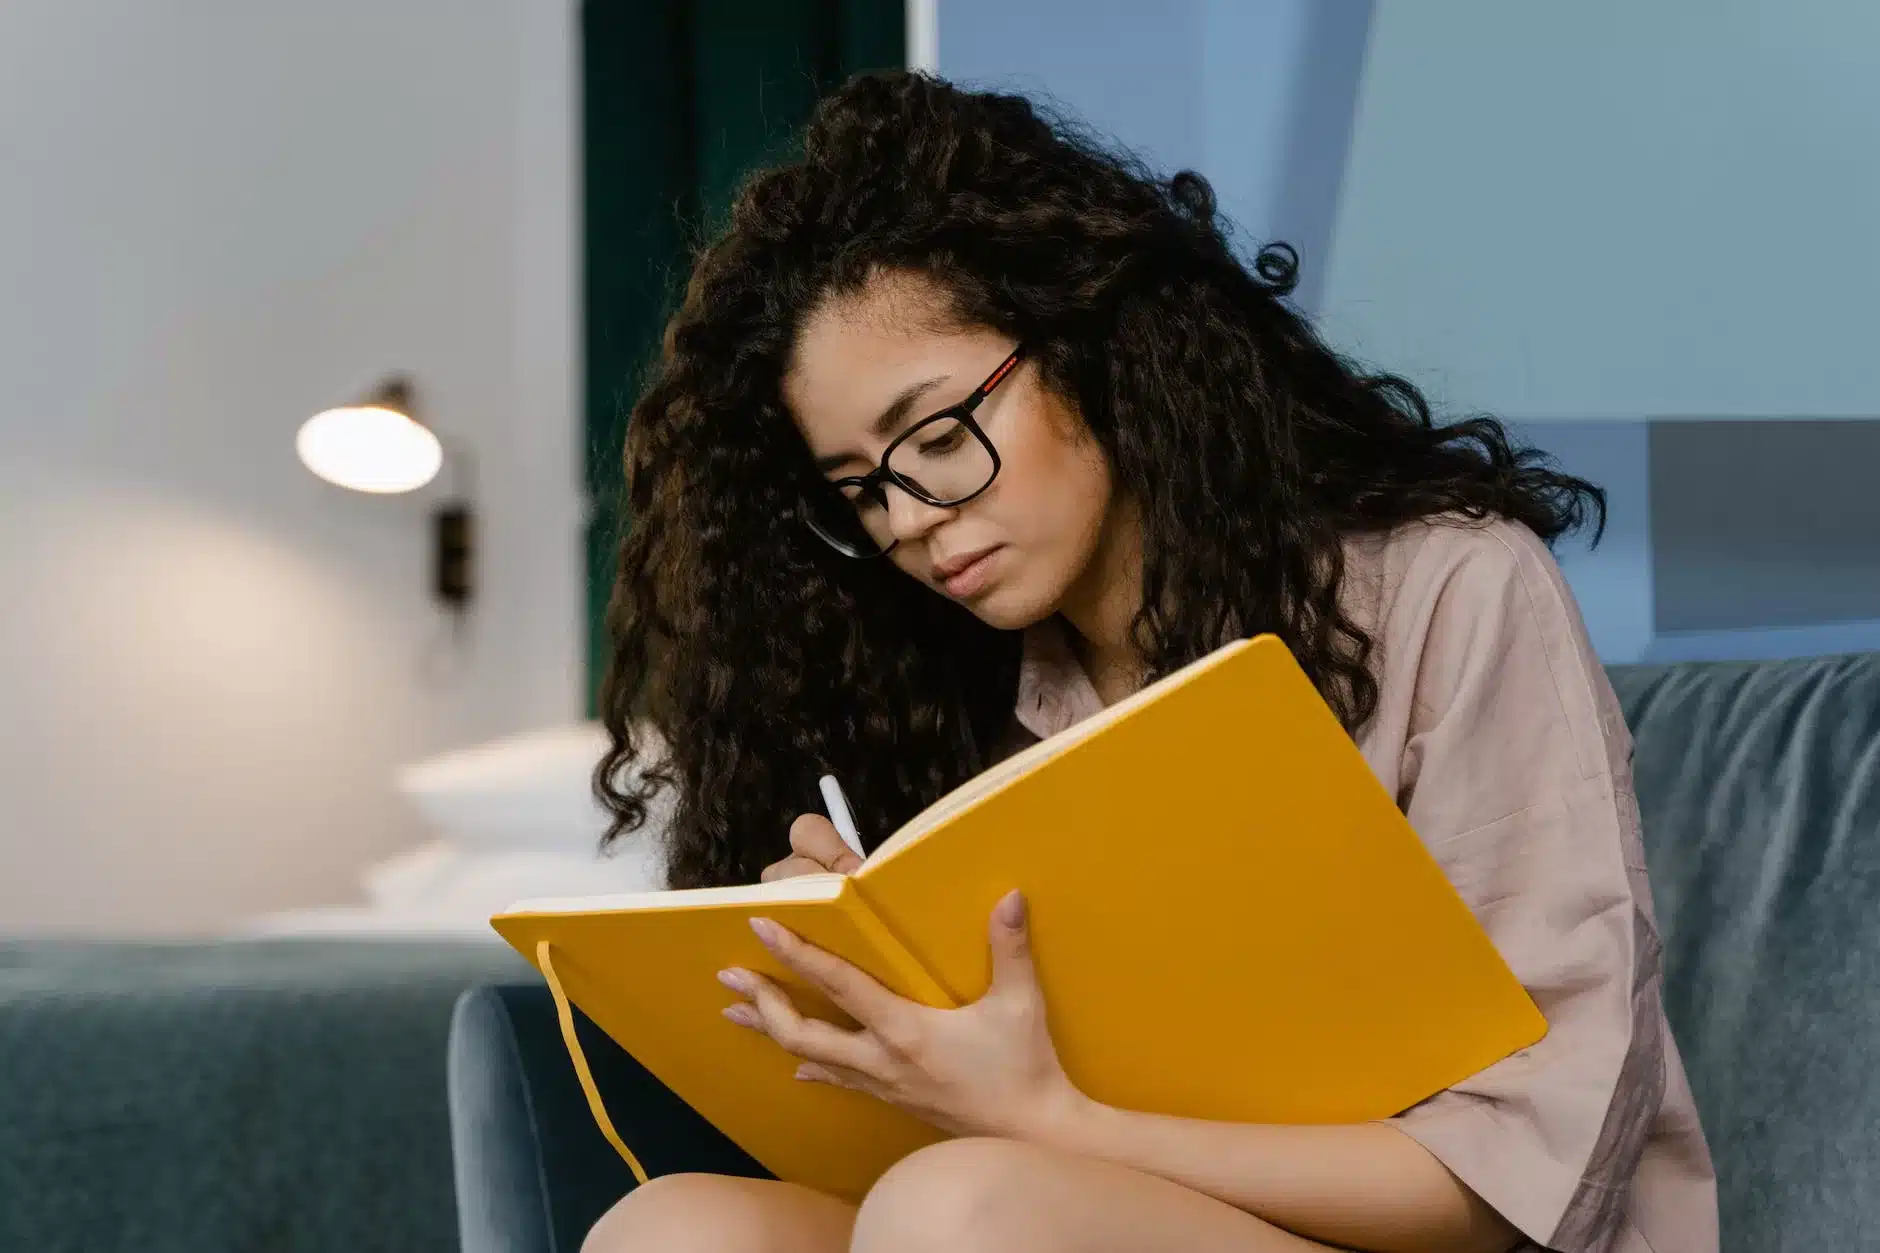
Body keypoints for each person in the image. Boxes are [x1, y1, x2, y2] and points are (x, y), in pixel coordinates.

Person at [583, 70, 1717, 1253]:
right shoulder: (942, 686)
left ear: (1090, 347)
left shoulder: (1450, 587)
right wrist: (853, 992)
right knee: (673, 1227)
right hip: (1085, 1209)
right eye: (858, 489)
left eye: (935, 435)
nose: (908, 517)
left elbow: (1511, 1180)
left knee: (962, 1210)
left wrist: (1044, 1118)